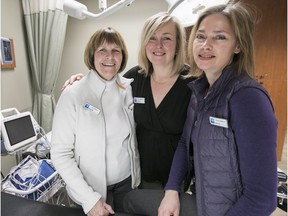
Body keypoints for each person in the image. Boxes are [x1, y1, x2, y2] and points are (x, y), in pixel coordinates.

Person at [123, 1, 278, 216]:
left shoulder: (248, 99)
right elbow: (186, 142)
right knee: (130, 200)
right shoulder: (201, 92)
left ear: (238, 45)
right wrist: (171, 191)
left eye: (220, 37)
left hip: (226, 209)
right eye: (201, 36)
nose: (206, 44)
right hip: (201, 196)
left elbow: (262, 198)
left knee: (130, 202)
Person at [62, 12, 195, 189]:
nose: (158, 45)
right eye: (152, 38)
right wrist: (80, 82)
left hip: (174, 181)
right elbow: (104, 85)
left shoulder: (192, 83)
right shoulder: (134, 78)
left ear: (178, 44)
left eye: (167, 38)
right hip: (135, 179)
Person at [50, 27, 141, 216]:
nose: (110, 57)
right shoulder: (73, 94)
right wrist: (89, 199)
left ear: (122, 56)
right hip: (89, 189)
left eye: (116, 51)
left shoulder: (129, 88)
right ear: (92, 56)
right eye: (102, 50)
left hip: (127, 185)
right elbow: (60, 153)